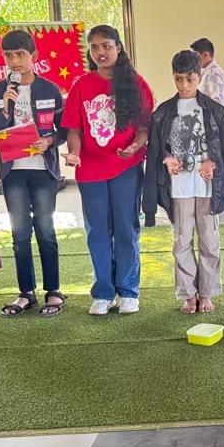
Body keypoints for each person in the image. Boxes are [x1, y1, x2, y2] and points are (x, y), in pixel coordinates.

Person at [61, 25, 154, 317]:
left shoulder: (136, 83)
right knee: (98, 232)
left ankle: (128, 290)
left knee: (126, 228)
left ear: (118, 48)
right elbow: (73, 130)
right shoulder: (81, 85)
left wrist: (135, 147)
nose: (101, 52)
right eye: (95, 47)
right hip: (90, 171)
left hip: (126, 168)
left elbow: (144, 128)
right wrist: (75, 153)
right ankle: (103, 292)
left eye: (106, 46)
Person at [142, 50, 224, 314]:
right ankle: (188, 293)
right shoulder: (163, 113)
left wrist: (213, 162)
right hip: (179, 188)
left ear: (199, 76)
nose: (184, 85)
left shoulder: (214, 110)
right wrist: (167, 158)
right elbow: (156, 150)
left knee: (209, 240)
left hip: (207, 187)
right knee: (182, 241)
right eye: (179, 79)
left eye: (190, 79)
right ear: (173, 77)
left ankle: (207, 292)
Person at [0, 29, 66, 317]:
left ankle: (53, 291)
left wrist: (49, 141)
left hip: (43, 171)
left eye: (20, 55)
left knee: (45, 230)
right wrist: (6, 110)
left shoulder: (50, 89)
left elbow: (64, 130)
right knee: (20, 234)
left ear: (33, 56)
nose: (15, 62)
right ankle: (26, 293)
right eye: (8, 56)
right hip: (13, 173)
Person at [191, 37, 224, 119]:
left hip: (214, 123)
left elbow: (218, 105)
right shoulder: (205, 72)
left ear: (205, 55)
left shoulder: (214, 74)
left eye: (195, 56)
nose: (193, 60)